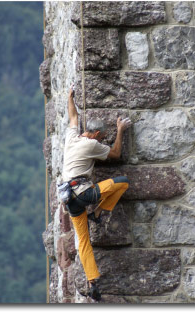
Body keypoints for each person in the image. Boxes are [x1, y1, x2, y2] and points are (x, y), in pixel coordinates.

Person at [62, 85, 131, 301]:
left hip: (67, 197)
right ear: (98, 134)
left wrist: (69, 97)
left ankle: (92, 282)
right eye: (102, 137)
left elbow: (73, 116)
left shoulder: (71, 137)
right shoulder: (92, 144)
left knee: (83, 240)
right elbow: (116, 153)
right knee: (122, 183)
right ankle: (99, 213)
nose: (102, 141)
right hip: (83, 192)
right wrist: (120, 130)